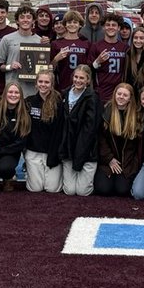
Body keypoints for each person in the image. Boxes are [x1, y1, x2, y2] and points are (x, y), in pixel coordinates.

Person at [59, 64, 100, 196]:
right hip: (68, 148)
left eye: (82, 78)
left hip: (86, 149)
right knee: (70, 191)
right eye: (76, 77)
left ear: (88, 80)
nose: (78, 80)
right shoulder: (64, 94)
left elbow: (90, 129)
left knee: (82, 192)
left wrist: (80, 154)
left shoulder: (92, 97)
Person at [94, 82, 141, 197]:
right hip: (107, 160)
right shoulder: (106, 112)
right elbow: (101, 139)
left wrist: (131, 167)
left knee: (122, 190)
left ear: (130, 98)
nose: (121, 97)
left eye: (125, 95)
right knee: (103, 189)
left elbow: (136, 146)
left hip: (126, 162)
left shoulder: (136, 115)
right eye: (119, 94)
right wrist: (109, 159)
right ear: (115, 94)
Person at [0, 4, 45, 100]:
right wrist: (9, 66)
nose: (25, 20)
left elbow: (44, 67)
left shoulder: (40, 41)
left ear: (33, 21)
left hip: (33, 92)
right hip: (13, 92)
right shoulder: (7, 39)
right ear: (17, 21)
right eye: (22, 17)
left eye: (29, 17)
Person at [24, 70, 64, 193]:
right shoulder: (29, 101)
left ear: (52, 85)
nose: (43, 84)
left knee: (52, 189)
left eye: (47, 82)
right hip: (33, 151)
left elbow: (60, 131)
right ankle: (30, 172)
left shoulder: (58, 103)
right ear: (36, 84)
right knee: (35, 188)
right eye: (40, 81)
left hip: (51, 152)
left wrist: (54, 155)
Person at [89, 12, 130, 104]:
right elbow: (88, 70)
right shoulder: (96, 46)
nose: (110, 27)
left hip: (119, 92)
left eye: (114, 25)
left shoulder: (125, 48)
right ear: (103, 27)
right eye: (107, 25)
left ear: (118, 28)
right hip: (101, 91)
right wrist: (97, 62)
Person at [51, 10, 92, 92]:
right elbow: (49, 68)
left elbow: (90, 68)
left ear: (80, 25)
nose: (72, 25)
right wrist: (56, 59)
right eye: (69, 22)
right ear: (65, 24)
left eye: (75, 22)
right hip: (62, 86)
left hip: (81, 86)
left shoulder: (86, 43)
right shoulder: (56, 44)